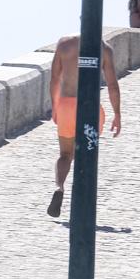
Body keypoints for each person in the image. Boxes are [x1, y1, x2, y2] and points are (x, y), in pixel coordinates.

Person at [48, 35, 122, 218]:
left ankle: (59, 187)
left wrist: (55, 107)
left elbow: (55, 79)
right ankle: (82, 201)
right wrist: (117, 113)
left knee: (65, 155)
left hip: (66, 105)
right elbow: (112, 85)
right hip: (90, 108)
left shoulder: (64, 44)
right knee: (87, 156)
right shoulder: (104, 48)